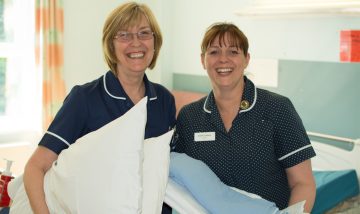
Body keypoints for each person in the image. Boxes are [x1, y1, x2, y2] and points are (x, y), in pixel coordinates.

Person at [23, 2, 175, 214]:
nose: (136, 43)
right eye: (124, 35)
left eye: (144, 33)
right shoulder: (84, 99)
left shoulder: (164, 101)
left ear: (155, 42)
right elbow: (34, 168)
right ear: (110, 45)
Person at [173, 22, 316, 212]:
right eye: (214, 52)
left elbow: (303, 184)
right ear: (203, 60)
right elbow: (179, 178)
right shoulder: (189, 118)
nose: (223, 59)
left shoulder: (276, 108)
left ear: (246, 59)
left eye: (233, 52)